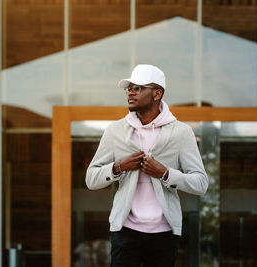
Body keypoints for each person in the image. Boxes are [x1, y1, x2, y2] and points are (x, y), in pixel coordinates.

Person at [86, 64, 209, 267]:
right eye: (129, 88)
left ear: (157, 93)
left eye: (138, 88)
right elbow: (91, 178)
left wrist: (166, 173)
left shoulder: (181, 132)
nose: (131, 93)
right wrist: (118, 168)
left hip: (165, 234)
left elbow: (201, 183)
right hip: (125, 232)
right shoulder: (115, 131)